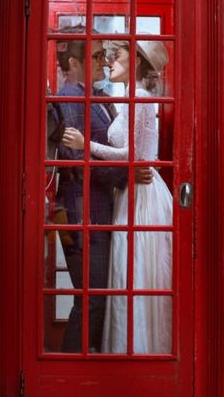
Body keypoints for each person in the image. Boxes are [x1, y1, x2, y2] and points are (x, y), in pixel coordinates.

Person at [62, 39, 173, 354]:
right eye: (102, 56)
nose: (109, 61)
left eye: (115, 55)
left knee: (134, 276)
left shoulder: (142, 99)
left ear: (135, 61)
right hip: (125, 194)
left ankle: (138, 353)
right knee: (123, 278)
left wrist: (87, 146)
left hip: (142, 198)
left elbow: (134, 155)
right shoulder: (123, 99)